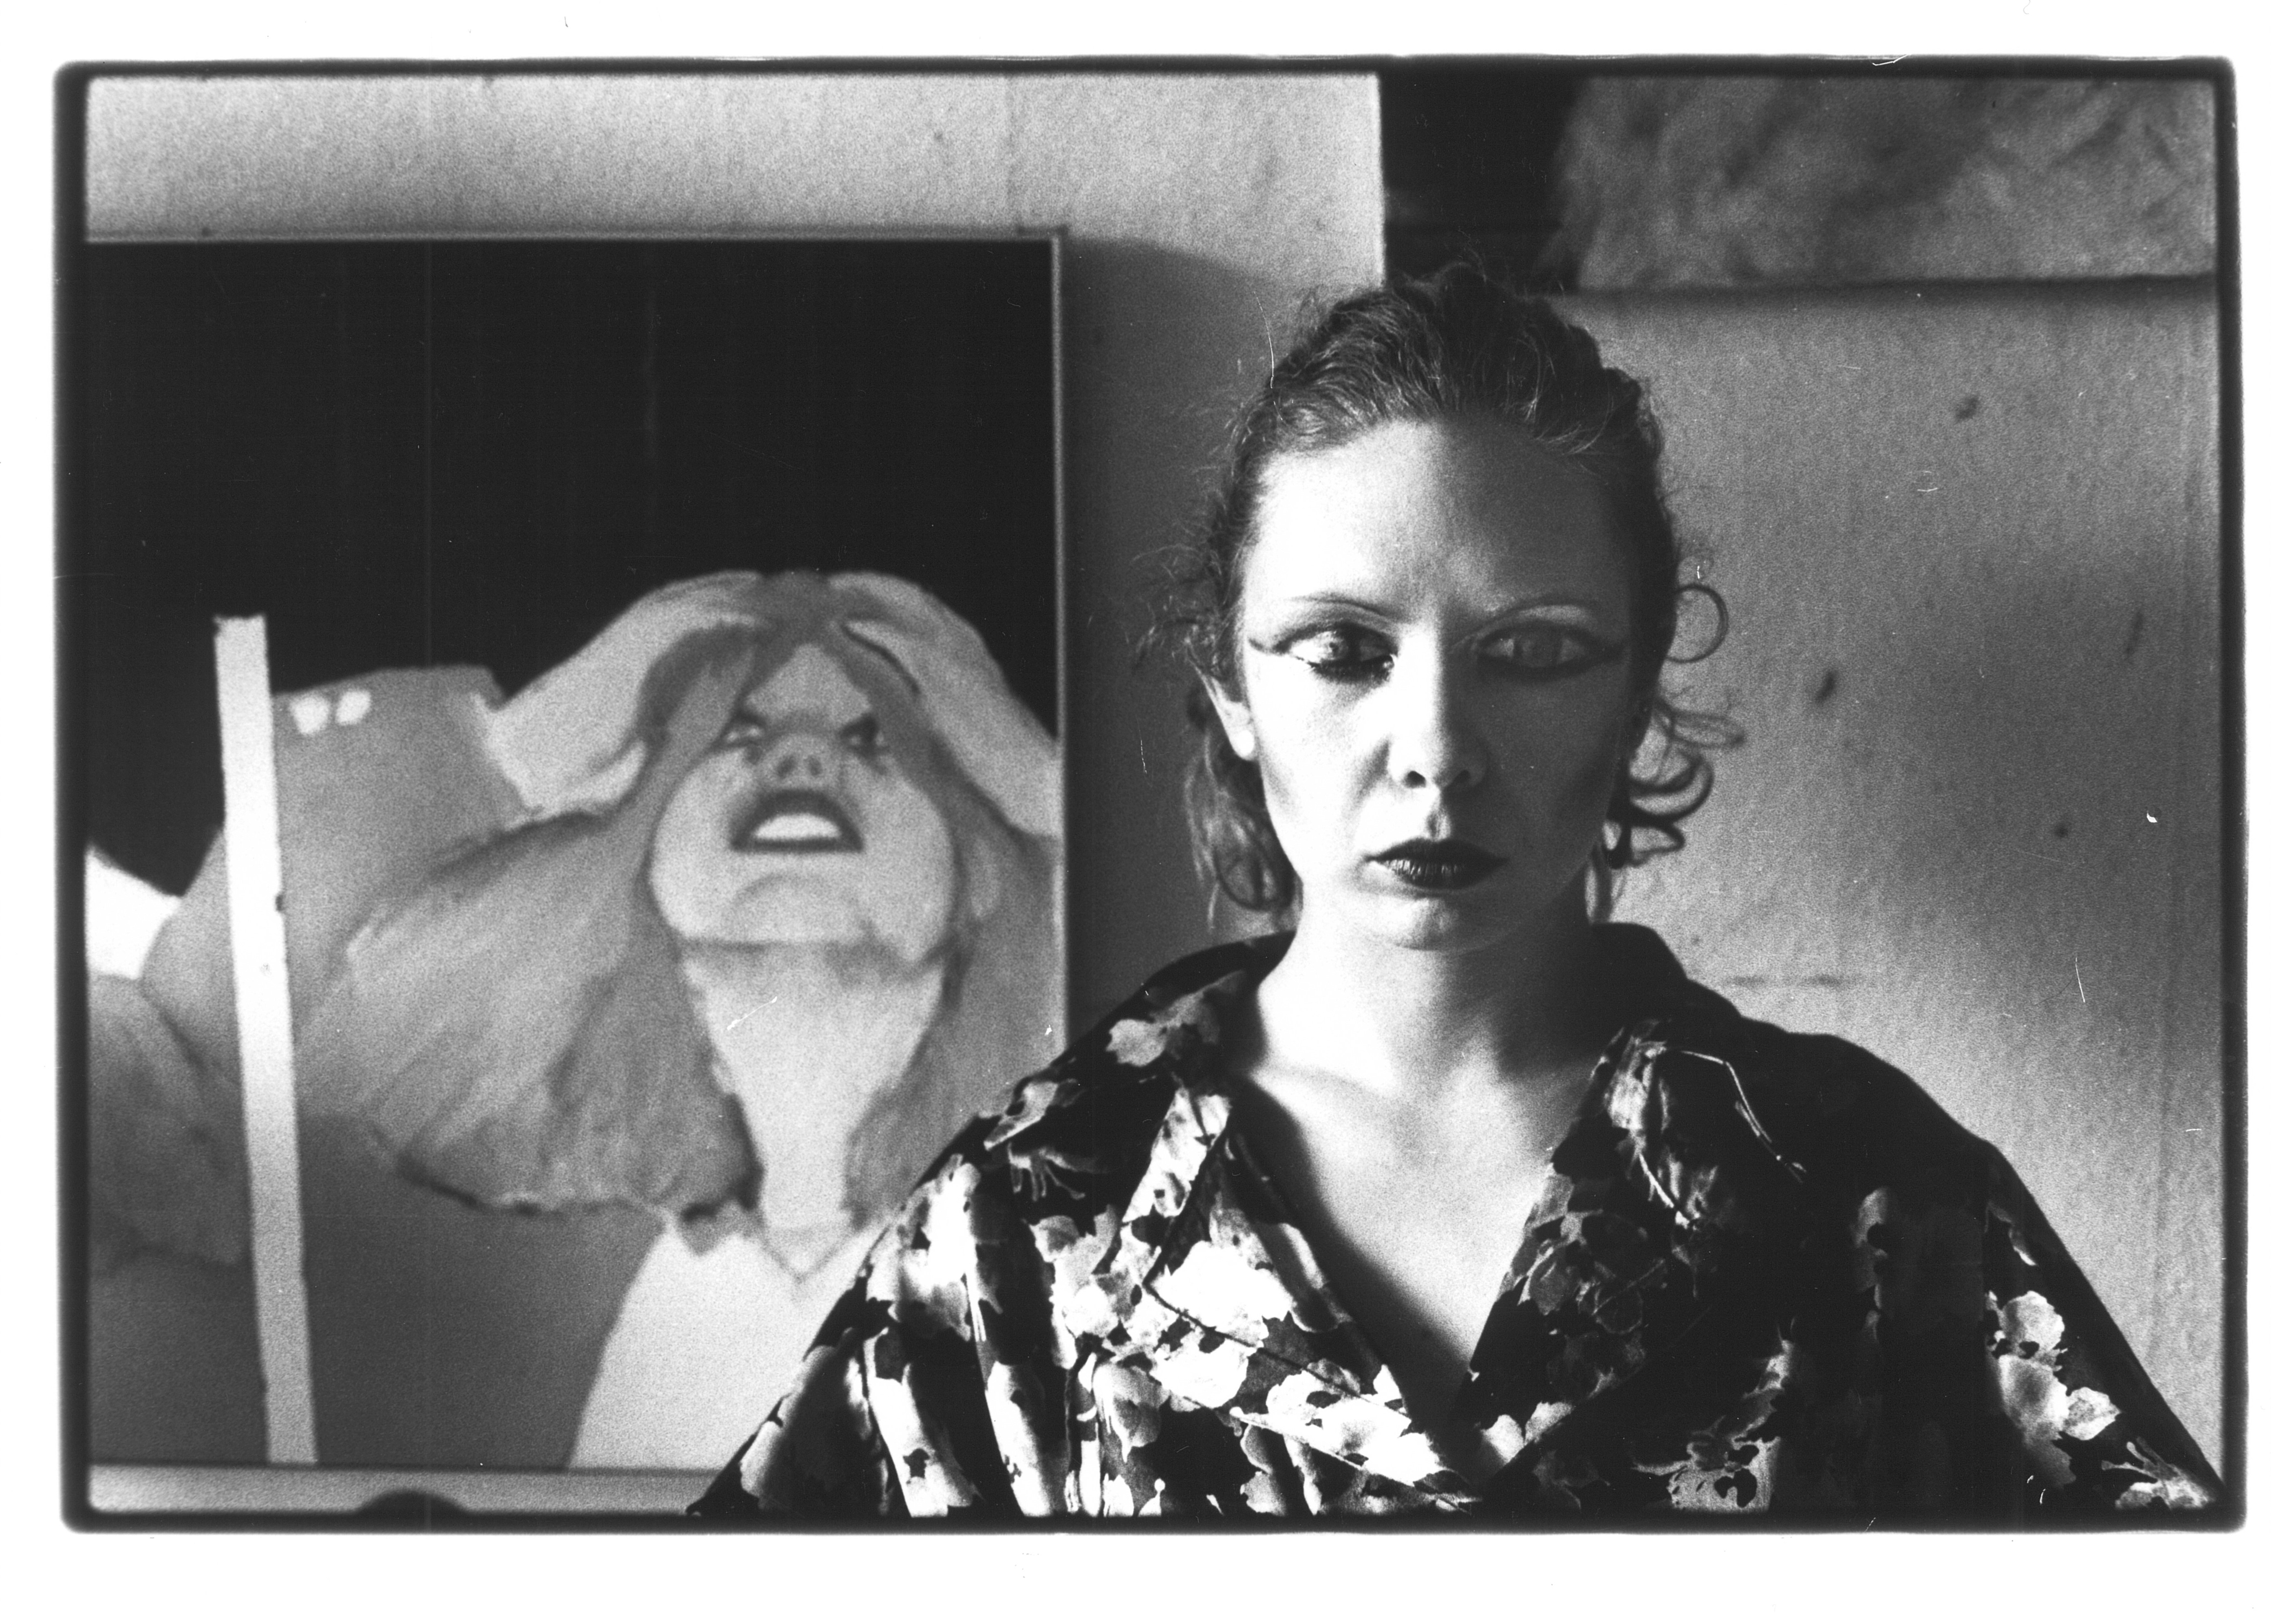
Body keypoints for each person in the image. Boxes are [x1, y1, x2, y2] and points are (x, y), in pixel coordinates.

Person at [691, 266, 2221, 1518]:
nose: (1435, 747)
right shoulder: (1028, 1219)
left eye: (1533, 652)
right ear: (1230, 683)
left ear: (1634, 688)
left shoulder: (1865, 1189)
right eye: (1342, 651)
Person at [88, 570, 1062, 1470]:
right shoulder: (487, 1257)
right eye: (735, 734)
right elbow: (271, 1020)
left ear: (981, 869)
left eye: (875, 741)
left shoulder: (1072, 1197)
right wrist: (508, 755)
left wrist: (1052, 791)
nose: (802, 758)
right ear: (645, 862)